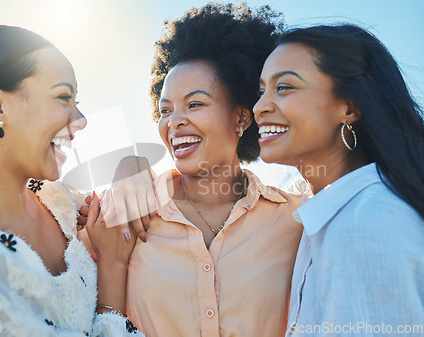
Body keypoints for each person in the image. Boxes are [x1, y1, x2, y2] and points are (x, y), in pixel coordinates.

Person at [0, 25, 143, 337]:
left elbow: (135, 217)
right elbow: (115, 252)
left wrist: (133, 165)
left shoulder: (58, 200)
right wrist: (112, 268)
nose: (80, 120)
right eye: (63, 97)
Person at [119, 4, 302, 337]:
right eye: (165, 110)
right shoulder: (131, 209)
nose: (174, 122)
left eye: (195, 104)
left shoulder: (296, 220)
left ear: (242, 118)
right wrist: (127, 164)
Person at [253, 24, 424, 336]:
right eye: (261, 90)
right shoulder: (325, 213)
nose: (260, 106)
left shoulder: (365, 225)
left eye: (285, 87)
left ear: (349, 107)